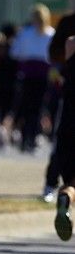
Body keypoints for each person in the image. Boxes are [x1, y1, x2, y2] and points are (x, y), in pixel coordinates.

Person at [9, 4, 55, 152]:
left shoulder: (26, 33)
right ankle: (32, 138)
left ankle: (25, 138)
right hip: (42, 75)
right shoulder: (50, 34)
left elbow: (15, 53)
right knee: (38, 108)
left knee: (25, 106)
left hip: (27, 74)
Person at [53, 34, 75, 241]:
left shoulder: (70, 43)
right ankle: (67, 196)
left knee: (69, 179)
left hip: (67, 124)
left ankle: (65, 195)